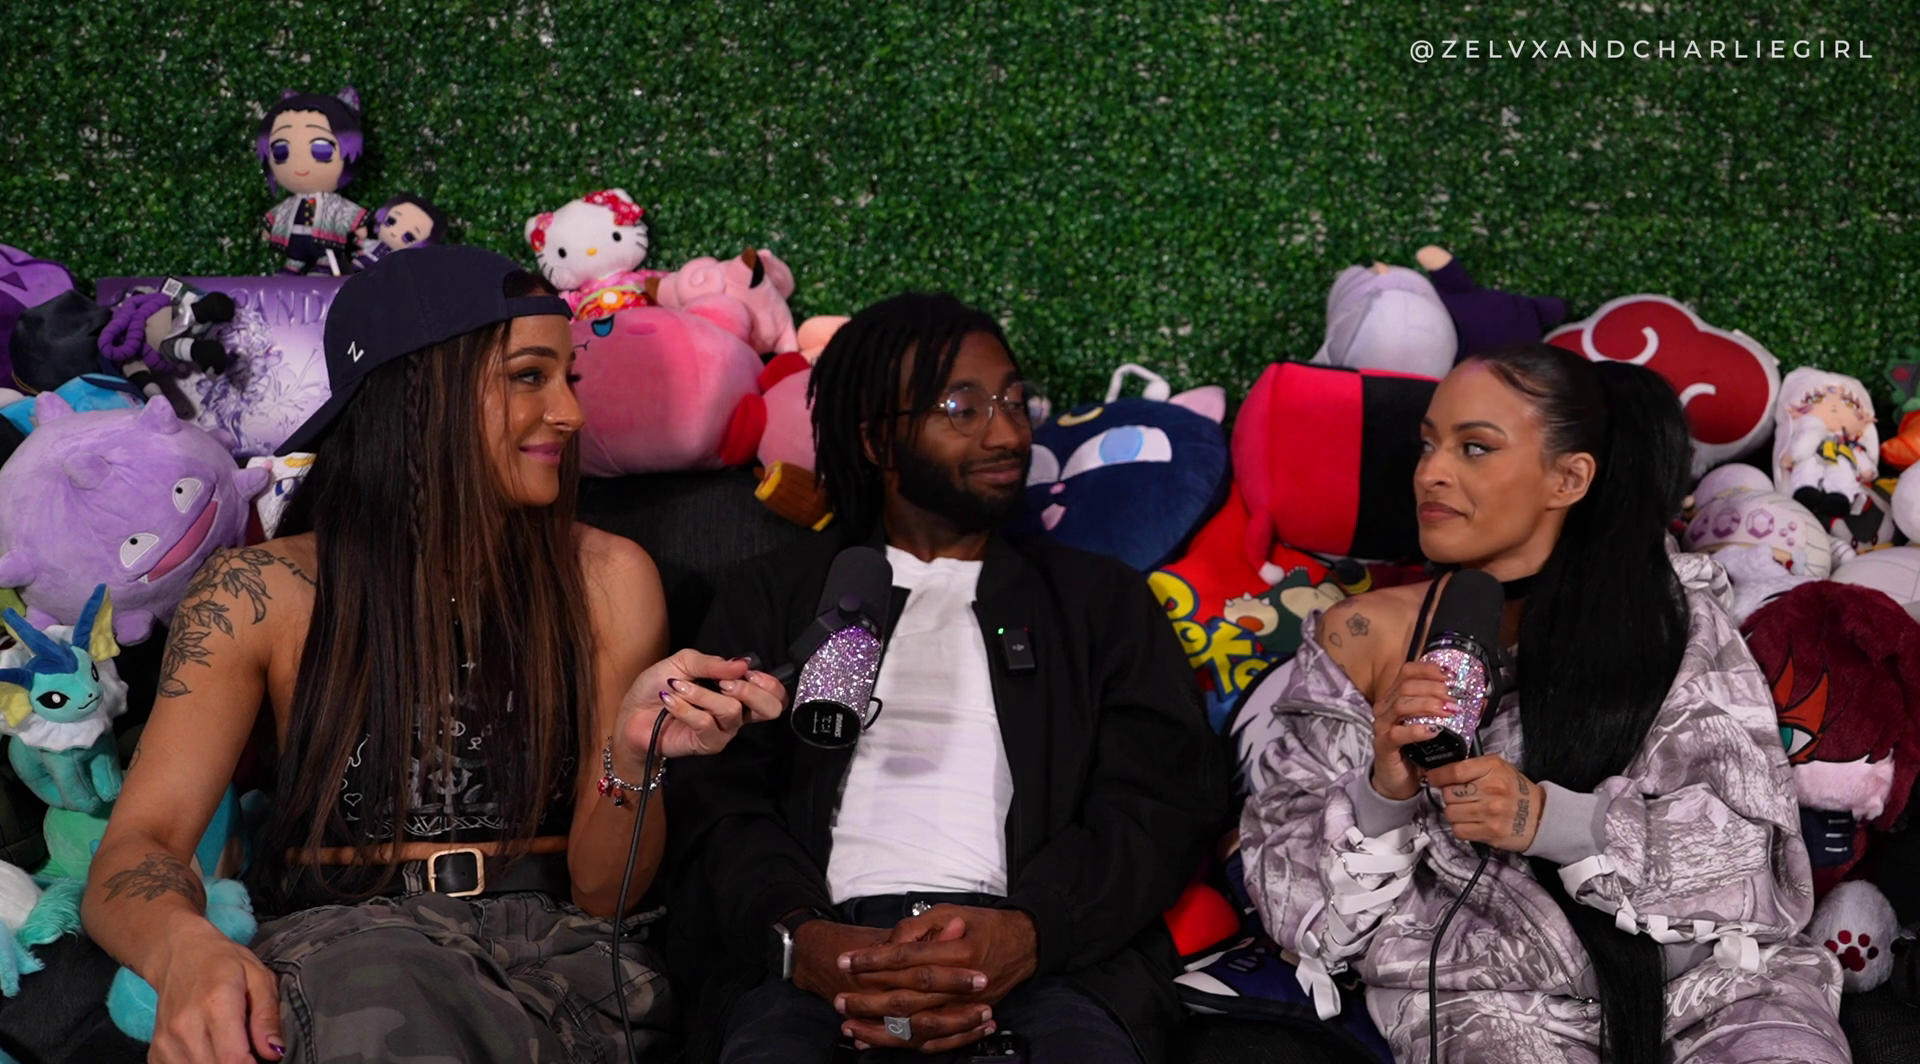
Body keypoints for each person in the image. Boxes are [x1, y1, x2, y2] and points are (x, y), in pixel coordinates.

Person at [81, 245, 787, 1064]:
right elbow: (140, 848)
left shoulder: (609, 578)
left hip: (560, 964)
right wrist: (183, 949)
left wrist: (634, 755)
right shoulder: (256, 593)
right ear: (416, 393)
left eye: (568, 378)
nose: (569, 413)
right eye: (529, 376)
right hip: (343, 954)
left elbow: (605, 894)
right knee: (383, 984)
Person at [1239, 346, 1847, 1063]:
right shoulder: (1362, 635)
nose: (1431, 472)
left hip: (1714, 984)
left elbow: (1755, 863)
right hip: (1485, 1004)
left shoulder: (1672, 616)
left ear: (1568, 477)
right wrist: (1383, 793)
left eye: (1474, 448)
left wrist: (1548, 820)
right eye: (1428, 445)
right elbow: (1287, 898)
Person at [664, 293, 1227, 1064]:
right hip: (815, 964)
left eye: (1014, 401)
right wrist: (800, 936)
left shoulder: (1098, 600)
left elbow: (1160, 797)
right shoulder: (774, 595)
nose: (1007, 432)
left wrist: (1032, 931)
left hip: (1046, 964)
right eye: (962, 408)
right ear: (877, 440)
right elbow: (715, 801)